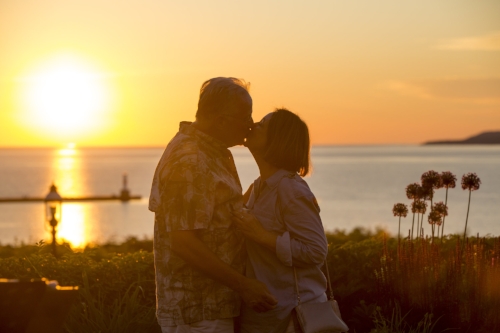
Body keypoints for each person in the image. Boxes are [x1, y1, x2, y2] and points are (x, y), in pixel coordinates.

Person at [149, 77, 277, 333]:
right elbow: (183, 241)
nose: (250, 125)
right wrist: (243, 285)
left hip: (209, 309)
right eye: (246, 116)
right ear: (221, 120)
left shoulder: (209, 151)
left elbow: (213, 215)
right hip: (198, 312)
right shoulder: (190, 160)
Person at [232, 108, 329, 333]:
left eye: (263, 125)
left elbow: (316, 251)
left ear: (277, 140)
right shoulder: (258, 187)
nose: (254, 124)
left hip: (295, 318)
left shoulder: (290, 189)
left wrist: (263, 236)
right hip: (266, 317)